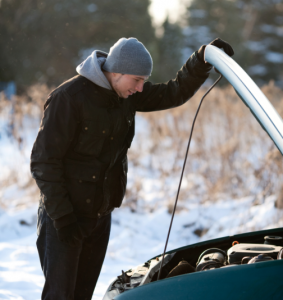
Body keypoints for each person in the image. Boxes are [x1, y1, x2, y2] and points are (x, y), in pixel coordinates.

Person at [30, 37, 233, 299]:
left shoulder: (126, 95)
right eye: (136, 80)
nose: (140, 88)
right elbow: (44, 161)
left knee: (82, 294)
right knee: (60, 295)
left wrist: (202, 58)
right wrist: (64, 218)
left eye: (143, 81)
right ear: (116, 71)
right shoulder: (68, 98)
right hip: (64, 218)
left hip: (99, 217)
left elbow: (175, 91)